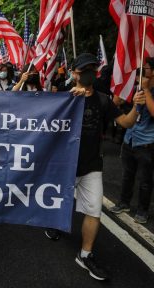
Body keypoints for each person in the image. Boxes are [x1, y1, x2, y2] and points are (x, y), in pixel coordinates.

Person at [45, 53, 146, 281]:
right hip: (65, 165)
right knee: (58, 202)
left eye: (92, 69)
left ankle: (85, 254)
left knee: (93, 210)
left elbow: (126, 123)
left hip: (92, 165)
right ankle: (54, 223)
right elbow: (33, 115)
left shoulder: (103, 100)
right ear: (74, 73)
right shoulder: (64, 97)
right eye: (83, 70)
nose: (88, 73)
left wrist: (137, 107)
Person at [109, 57, 154, 224]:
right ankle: (124, 203)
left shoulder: (149, 90)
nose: (141, 73)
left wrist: (147, 90)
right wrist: (122, 87)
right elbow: (115, 103)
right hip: (129, 139)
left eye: (146, 69)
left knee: (145, 179)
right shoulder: (133, 88)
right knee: (127, 175)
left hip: (146, 143)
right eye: (140, 70)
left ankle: (142, 211)